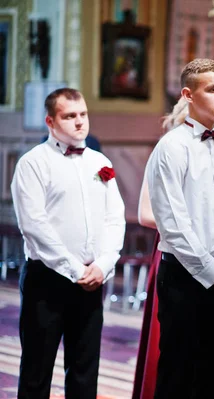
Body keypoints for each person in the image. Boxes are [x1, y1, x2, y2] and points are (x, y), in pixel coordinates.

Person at [11, 88, 126, 398]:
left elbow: (115, 218)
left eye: (83, 115)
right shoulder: (33, 164)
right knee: (37, 371)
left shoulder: (99, 161)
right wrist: (76, 270)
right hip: (47, 280)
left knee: (85, 371)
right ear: (51, 121)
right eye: (69, 116)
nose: (79, 122)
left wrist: (103, 264)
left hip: (92, 279)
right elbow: (35, 225)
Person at [145, 58, 214, 398]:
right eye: (213, 89)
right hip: (186, 277)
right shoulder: (171, 148)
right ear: (188, 95)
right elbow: (173, 225)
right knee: (179, 373)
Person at [131, 96, 188, 399]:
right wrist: (189, 224)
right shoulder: (165, 153)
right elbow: (145, 214)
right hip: (173, 251)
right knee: (168, 344)